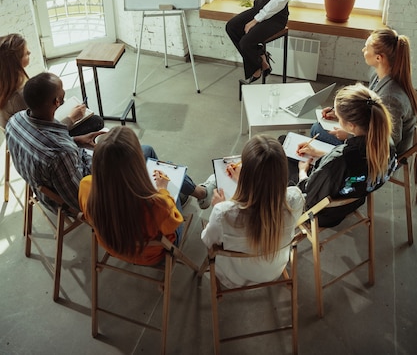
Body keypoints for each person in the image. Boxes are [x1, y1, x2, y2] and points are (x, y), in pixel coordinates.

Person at [6, 72, 215, 213]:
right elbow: (81, 202)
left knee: (144, 152)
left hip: (54, 181)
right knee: (144, 156)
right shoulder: (60, 155)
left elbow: (47, 140)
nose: (64, 95)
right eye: (62, 94)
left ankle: (190, 191)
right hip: (84, 192)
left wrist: (76, 140)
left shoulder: (15, 121)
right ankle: (192, 195)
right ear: (56, 103)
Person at [201, 135, 304, 289]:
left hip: (234, 276)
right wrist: (244, 181)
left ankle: (202, 190)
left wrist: (222, 204)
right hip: (274, 270)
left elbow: (208, 241)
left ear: (247, 174)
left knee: (213, 179)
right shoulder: (296, 198)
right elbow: (266, 198)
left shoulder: (223, 212)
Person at [293, 84, 397, 227]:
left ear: (351, 126)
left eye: (338, 116)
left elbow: (310, 192)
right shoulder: (386, 143)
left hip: (325, 214)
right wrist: (319, 153)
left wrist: (302, 171)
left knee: (281, 159)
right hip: (355, 199)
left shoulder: (339, 159)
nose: (335, 115)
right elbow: (348, 166)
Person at [79, 127, 184, 265]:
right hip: (151, 255)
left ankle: (197, 191)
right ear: (137, 163)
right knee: (170, 169)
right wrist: (163, 190)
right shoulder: (157, 204)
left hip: (113, 247)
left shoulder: (86, 185)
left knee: (148, 150)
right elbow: (173, 224)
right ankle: (197, 192)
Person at [311, 28, 417, 156]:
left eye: (366, 48)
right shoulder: (378, 75)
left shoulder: (390, 98)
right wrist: (341, 113)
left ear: (379, 58)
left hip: (379, 155)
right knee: (320, 126)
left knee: (316, 129)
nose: (363, 50)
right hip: (369, 132)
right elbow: (367, 106)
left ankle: (329, 166)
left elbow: (388, 143)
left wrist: (350, 136)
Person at [0, 32, 104, 135]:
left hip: (29, 131)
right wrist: (71, 118)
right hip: (40, 137)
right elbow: (42, 133)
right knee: (96, 121)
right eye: (26, 53)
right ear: (16, 62)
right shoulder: (19, 97)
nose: (30, 53)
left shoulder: (8, 83)